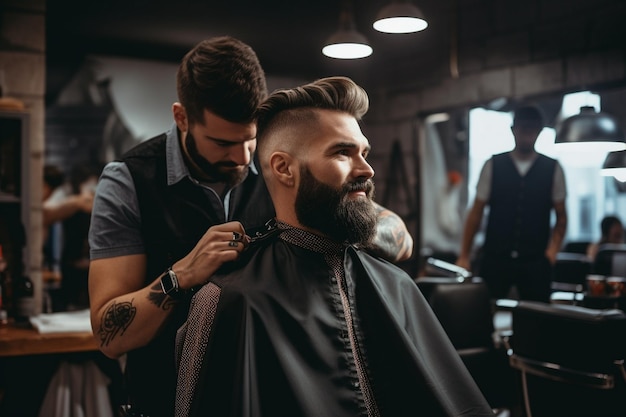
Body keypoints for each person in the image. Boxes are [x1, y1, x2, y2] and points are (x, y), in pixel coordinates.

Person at [88, 37, 413, 417]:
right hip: (164, 399)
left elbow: (400, 238)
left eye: (250, 139)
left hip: (272, 392)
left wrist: (330, 220)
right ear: (182, 118)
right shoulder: (129, 181)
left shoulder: (277, 167)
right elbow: (109, 336)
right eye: (223, 143)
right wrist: (182, 275)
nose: (242, 157)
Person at [174, 76, 493, 417]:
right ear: (284, 168)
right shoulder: (232, 300)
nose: (367, 169)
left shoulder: (396, 285)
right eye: (343, 152)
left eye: (364, 152)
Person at [456, 105, 567, 302]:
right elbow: (476, 212)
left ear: (540, 131)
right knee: (482, 312)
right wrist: (464, 254)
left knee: (536, 320)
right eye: (523, 129)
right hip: (495, 257)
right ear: (513, 130)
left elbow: (561, 216)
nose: (527, 134)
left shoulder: (553, 168)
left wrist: (553, 251)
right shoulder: (493, 164)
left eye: (532, 130)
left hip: (535, 260)